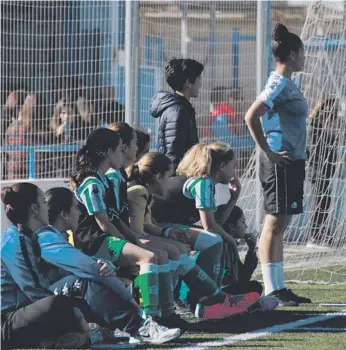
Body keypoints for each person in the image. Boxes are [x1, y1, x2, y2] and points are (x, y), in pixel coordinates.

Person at [70, 127, 181, 339]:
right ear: (107, 153)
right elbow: (103, 225)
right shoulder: (92, 182)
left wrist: (132, 238)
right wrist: (129, 244)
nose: (124, 155)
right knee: (148, 257)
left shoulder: (102, 180)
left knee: (152, 256)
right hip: (93, 242)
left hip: (105, 239)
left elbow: (115, 220)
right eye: (120, 150)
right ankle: (149, 323)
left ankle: (163, 314)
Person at [126, 150, 262, 320]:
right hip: (142, 235)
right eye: (233, 165)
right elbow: (210, 225)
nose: (170, 181)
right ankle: (204, 300)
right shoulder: (201, 182)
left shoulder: (145, 192)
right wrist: (232, 242)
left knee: (182, 249)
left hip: (160, 228)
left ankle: (209, 298)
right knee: (211, 241)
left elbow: (146, 225)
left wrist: (167, 233)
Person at [40, 186, 182, 345]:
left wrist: (105, 265)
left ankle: (106, 329)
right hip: (38, 302)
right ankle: (140, 327)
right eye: (75, 207)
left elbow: (77, 265)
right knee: (89, 280)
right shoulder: (47, 237)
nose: (79, 213)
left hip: (49, 299)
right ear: (64, 214)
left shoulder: (56, 236)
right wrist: (108, 273)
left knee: (99, 279)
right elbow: (84, 266)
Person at [244, 23, 312, 306]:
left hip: (292, 159)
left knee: (281, 221)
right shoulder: (278, 83)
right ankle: (272, 288)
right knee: (274, 220)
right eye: (303, 52)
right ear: (294, 54)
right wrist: (269, 153)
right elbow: (252, 115)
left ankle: (279, 286)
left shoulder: (288, 83)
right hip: (278, 160)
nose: (304, 57)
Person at [1, 183, 91, 349]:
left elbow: (47, 277)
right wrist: (75, 315)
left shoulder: (29, 237)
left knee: (76, 302)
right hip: (5, 321)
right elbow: (35, 290)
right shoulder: (16, 240)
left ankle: (54, 341)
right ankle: (65, 337)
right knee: (59, 304)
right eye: (44, 202)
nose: (47, 208)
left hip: (20, 312)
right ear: (34, 208)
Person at [150, 58, 203, 171]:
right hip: (178, 177)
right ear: (188, 83)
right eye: (199, 78)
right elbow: (173, 153)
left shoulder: (182, 108)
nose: (200, 83)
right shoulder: (178, 111)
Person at [307, 99, 339, 248]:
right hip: (318, 171)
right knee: (321, 202)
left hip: (325, 172)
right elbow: (313, 153)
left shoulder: (324, 130)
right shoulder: (315, 129)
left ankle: (323, 233)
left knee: (325, 201)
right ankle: (315, 236)